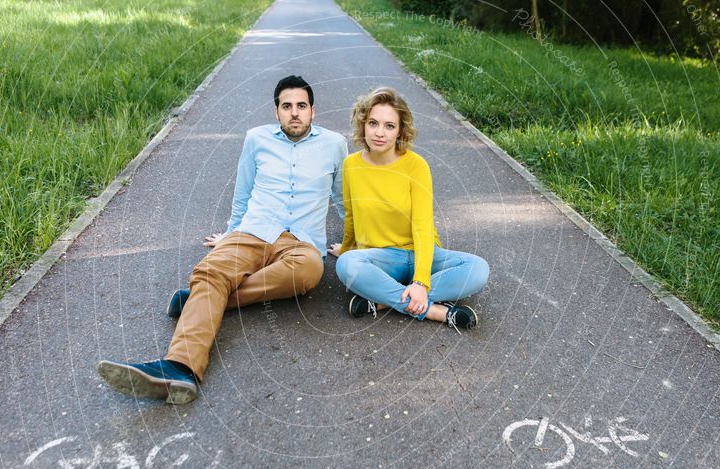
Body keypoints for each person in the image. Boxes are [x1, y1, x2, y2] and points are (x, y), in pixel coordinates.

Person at [98, 75, 347, 404]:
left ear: (313, 111)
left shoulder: (334, 144)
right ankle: (179, 368)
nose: (294, 113)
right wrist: (229, 235)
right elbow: (242, 196)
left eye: (301, 106)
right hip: (254, 230)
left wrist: (354, 244)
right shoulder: (256, 139)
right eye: (286, 106)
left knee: (309, 272)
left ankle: (202, 301)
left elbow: (345, 201)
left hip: (301, 244)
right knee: (211, 272)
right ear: (276, 112)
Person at [328, 87, 489, 331]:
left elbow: (423, 226)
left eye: (389, 126)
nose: (380, 132)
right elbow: (351, 215)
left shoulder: (416, 166)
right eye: (373, 123)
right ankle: (436, 311)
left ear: (401, 130)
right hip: (382, 258)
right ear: (363, 125)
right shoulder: (351, 165)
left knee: (478, 269)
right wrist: (348, 249)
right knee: (347, 265)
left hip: (420, 254)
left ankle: (385, 301)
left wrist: (421, 282)